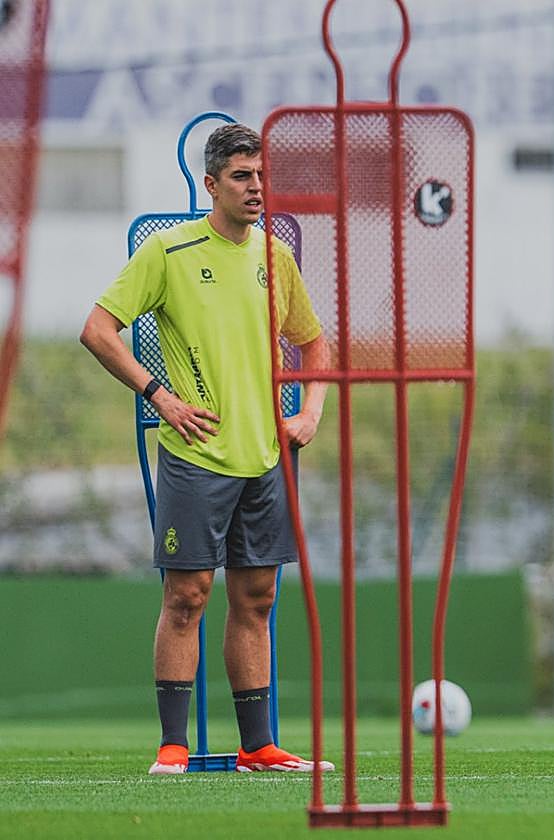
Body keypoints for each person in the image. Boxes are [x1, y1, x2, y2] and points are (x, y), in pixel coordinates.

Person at [80, 124, 333, 775]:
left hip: (267, 459)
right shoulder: (168, 251)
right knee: (186, 596)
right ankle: (172, 745)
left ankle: (257, 746)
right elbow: (99, 329)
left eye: (262, 176)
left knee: (257, 602)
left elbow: (314, 342)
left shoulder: (276, 257)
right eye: (244, 177)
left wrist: (309, 412)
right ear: (212, 183)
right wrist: (159, 395)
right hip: (194, 458)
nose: (257, 188)